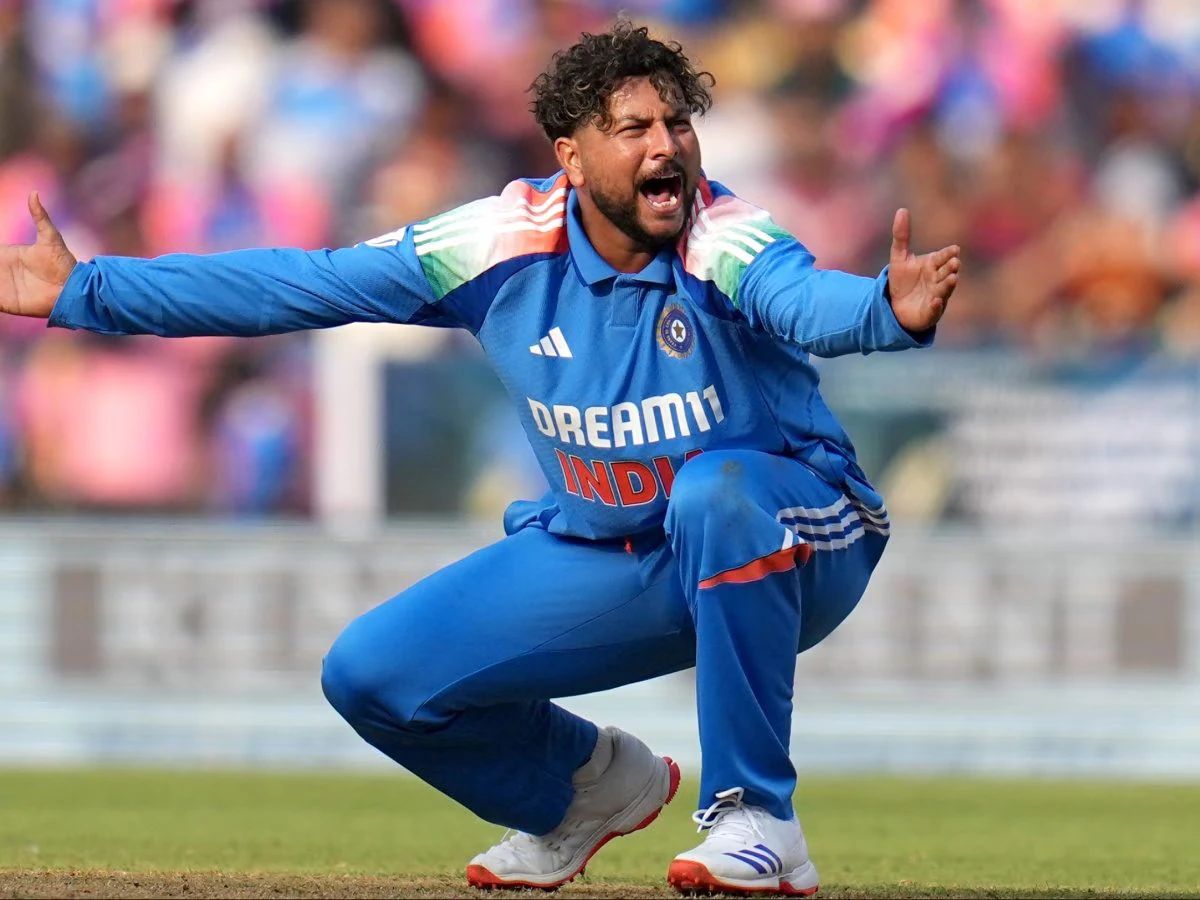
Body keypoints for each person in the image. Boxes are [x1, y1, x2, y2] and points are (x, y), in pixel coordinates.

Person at [0, 21, 959, 898]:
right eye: (633, 128)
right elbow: (305, 284)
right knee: (370, 674)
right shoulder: (497, 243)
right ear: (571, 157)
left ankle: (758, 819)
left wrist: (883, 309)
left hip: (801, 534)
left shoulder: (725, 234)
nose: (666, 145)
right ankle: (582, 790)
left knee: (720, 487)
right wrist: (86, 289)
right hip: (625, 552)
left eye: (676, 122)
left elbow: (802, 300)